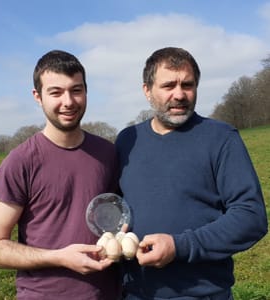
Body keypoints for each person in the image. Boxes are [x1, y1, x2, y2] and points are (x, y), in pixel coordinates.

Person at [115, 47, 268, 300]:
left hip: (201, 293)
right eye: (168, 86)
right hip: (135, 292)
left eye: (187, 85)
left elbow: (251, 217)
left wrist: (179, 247)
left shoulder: (221, 138)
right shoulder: (127, 140)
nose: (179, 94)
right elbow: (117, 206)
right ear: (147, 90)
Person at [0, 50, 121, 300]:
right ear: (38, 96)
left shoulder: (108, 153)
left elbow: (115, 215)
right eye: (56, 92)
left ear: (86, 91)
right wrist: (58, 257)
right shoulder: (21, 161)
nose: (68, 101)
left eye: (76, 90)